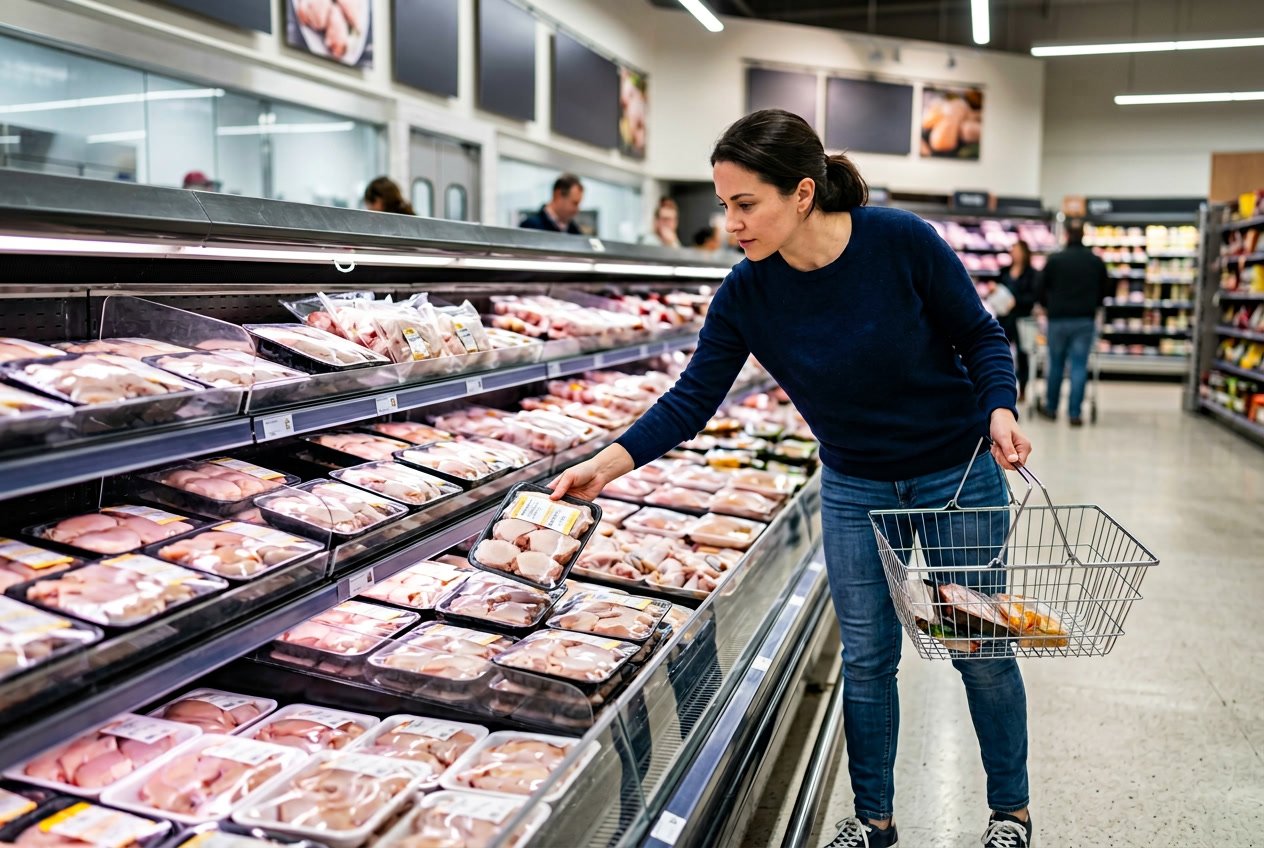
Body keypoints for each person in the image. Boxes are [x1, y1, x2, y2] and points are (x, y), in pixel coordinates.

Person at [549, 109, 1035, 848]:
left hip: (957, 474)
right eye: (725, 206)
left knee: (979, 648)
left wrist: (999, 408)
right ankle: (873, 820)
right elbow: (690, 400)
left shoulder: (900, 241)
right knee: (868, 662)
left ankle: (1011, 812)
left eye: (746, 204)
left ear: (803, 193)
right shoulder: (747, 293)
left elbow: (980, 334)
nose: (732, 223)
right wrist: (606, 464)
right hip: (854, 487)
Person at [1035, 219, 1110, 426]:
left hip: (1058, 319)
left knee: (1056, 364)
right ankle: (1075, 413)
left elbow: (1040, 288)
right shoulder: (1095, 261)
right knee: (1079, 366)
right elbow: (1105, 290)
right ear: (1083, 235)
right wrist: (1093, 305)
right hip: (1084, 320)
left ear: (1066, 235)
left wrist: (1047, 305)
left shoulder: (1056, 260)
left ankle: (1051, 408)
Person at [998, 240, 1039, 401]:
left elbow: (1033, 297)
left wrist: (1016, 301)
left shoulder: (1032, 274)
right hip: (1004, 318)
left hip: (1023, 319)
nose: (1013, 253)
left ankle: (1022, 388)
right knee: (1001, 351)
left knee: (1023, 355)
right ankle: (1001, 385)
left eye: (1017, 250)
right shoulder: (1004, 271)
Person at [519, 173, 584, 234]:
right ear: (558, 195)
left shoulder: (575, 231)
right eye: (575, 203)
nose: (577, 210)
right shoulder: (530, 227)